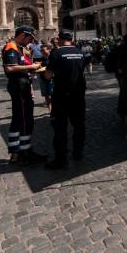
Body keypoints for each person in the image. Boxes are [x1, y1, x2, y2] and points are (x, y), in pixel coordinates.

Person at [3, 25, 46, 165]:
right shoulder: (11, 46)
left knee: (17, 119)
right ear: (22, 35)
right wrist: (31, 67)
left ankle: (15, 151)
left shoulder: (17, 47)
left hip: (19, 85)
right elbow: (10, 68)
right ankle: (25, 153)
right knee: (26, 120)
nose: (30, 42)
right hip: (19, 87)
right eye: (29, 38)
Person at [44, 29, 86, 169]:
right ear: (72, 40)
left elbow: (48, 76)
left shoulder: (56, 54)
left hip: (61, 95)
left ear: (59, 39)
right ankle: (78, 152)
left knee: (60, 127)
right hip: (78, 95)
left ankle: (61, 158)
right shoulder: (80, 53)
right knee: (79, 125)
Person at [38, 43, 53, 115]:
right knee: (46, 95)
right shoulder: (41, 59)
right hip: (43, 78)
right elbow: (38, 68)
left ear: (49, 49)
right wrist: (37, 71)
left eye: (43, 50)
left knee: (53, 94)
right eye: (41, 50)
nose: (42, 52)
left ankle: (55, 109)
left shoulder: (53, 58)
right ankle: (50, 110)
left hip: (51, 79)